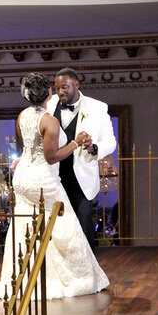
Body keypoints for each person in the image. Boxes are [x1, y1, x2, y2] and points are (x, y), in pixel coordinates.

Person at [0, 73, 109, 301]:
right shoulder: (50, 121)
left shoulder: (22, 116)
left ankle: (24, 274)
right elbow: (51, 157)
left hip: (22, 179)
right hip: (43, 180)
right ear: (49, 93)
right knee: (66, 222)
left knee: (27, 223)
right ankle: (77, 278)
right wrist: (75, 143)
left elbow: (28, 149)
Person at [46, 68, 117, 248]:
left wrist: (94, 148)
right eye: (57, 88)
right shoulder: (50, 104)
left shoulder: (97, 108)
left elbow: (111, 141)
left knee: (84, 219)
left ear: (76, 84)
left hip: (81, 177)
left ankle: (89, 267)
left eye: (65, 87)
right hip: (54, 175)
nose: (60, 92)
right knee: (56, 223)